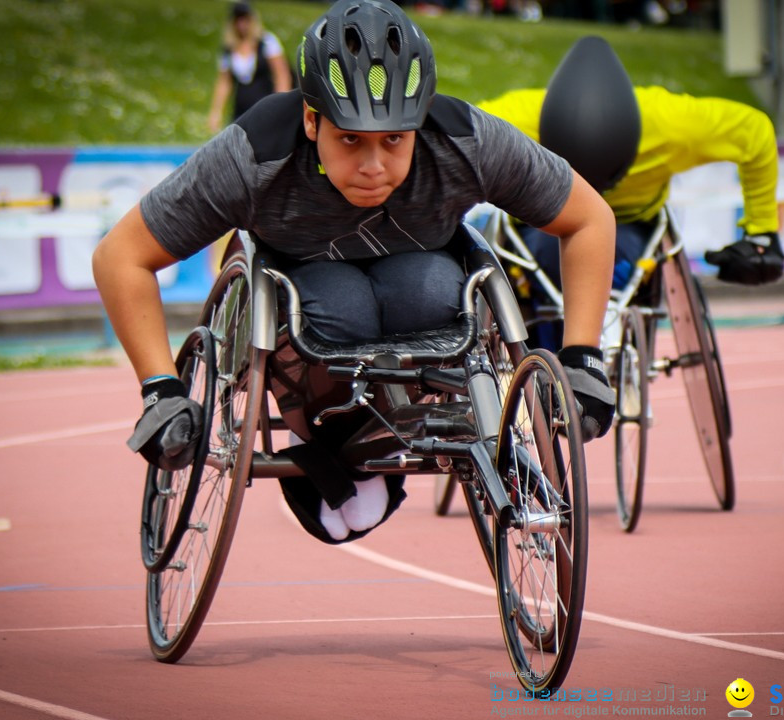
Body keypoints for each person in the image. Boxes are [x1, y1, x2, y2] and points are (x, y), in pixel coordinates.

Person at [94, 0, 617, 543]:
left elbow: (589, 219)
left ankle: (387, 438)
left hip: (424, 294)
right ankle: (337, 447)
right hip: (306, 303)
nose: (373, 165)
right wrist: (160, 389)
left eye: (394, 140)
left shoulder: (466, 141)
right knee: (340, 301)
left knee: (435, 290)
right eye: (350, 140)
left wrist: (583, 358)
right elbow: (121, 256)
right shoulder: (253, 155)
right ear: (311, 119)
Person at [476, 85, 784, 296]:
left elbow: (755, 132)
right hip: (545, 219)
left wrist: (762, 233)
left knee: (613, 267)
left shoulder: (672, 123)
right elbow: (444, 138)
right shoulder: (514, 119)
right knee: (545, 265)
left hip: (628, 224)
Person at [207, 2, 293, 134]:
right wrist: (216, 111)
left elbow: (281, 74)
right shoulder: (228, 50)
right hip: (240, 110)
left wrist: (280, 105)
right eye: (238, 20)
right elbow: (224, 82)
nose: (242, 24)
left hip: (264, 107)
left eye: (245, 19)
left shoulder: (266, 42)